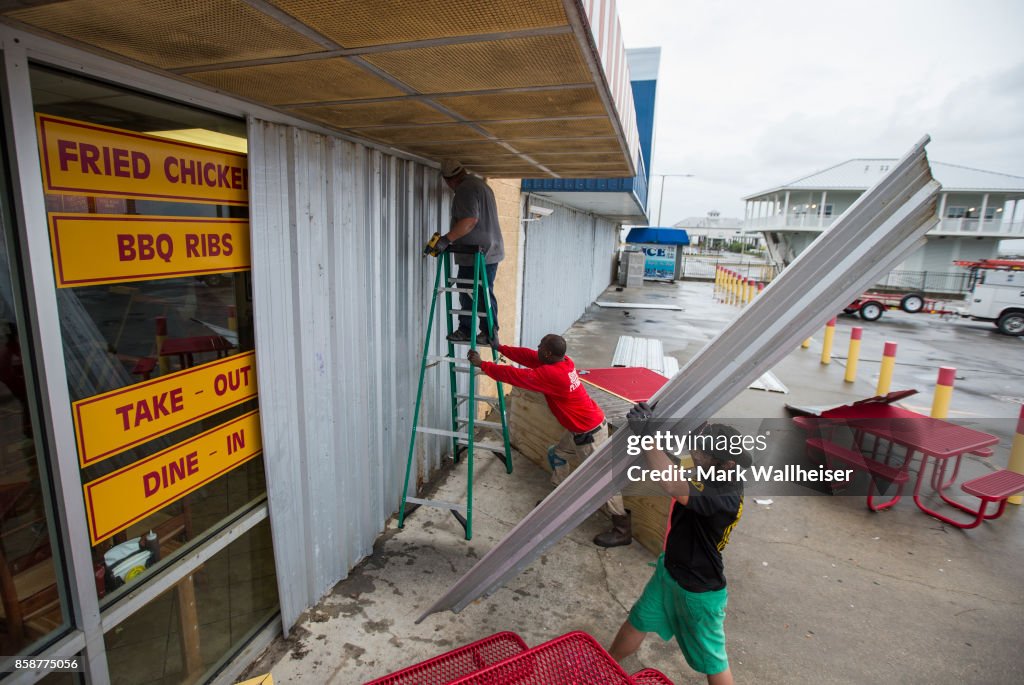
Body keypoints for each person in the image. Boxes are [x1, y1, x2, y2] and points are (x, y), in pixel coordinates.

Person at [608, 406, 749, 685]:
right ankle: (606, 665)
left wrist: (647, 439)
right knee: (638, 620)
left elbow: (674, 485)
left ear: (727, 464)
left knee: (713, 660)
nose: (696, 456)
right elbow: (680, 459)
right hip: (669, 571)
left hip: (698, 591)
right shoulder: (712, 470)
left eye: (704, 455)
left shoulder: (723, 496)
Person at [467, 334, 631, 547]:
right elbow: (527, 356)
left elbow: (515, 375)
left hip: (589, 434)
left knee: (602, 482)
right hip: (581, 428)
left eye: (540, 347)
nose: (537, 349)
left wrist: (483, 365)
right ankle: (558, 503)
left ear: (548, 353)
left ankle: (622, 529)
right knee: (559, 454)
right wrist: (500, 347)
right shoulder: (563, 362)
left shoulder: (553, 375)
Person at [428, 159, 504, 346]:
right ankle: (473, 330)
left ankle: (484, 332)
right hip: (487, 251)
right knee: (475, 291)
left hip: (478, 255)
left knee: (474, 292)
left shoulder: (465, 189)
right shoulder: (480, 185)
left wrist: (446, 240)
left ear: (449, 179)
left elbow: (470, 220)